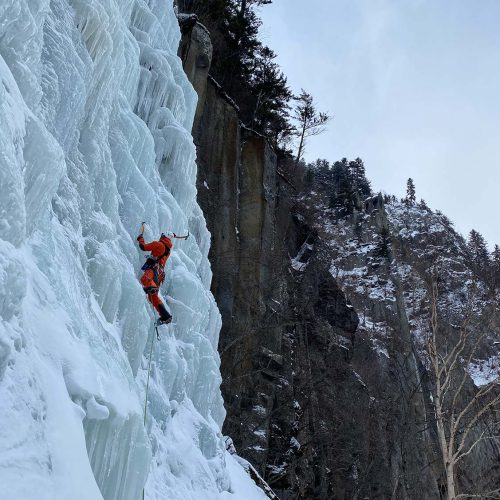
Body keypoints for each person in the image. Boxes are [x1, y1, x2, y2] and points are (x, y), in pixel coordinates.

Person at [137, 232, 173, 324]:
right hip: (160, 274)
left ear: (163, 236)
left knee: (144, 280)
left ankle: (151, 286)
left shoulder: (158, 244)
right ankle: (165, 316)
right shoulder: (168, 251)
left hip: (154, 269)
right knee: (153, 297)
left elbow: (143, 247)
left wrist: (140, 238)